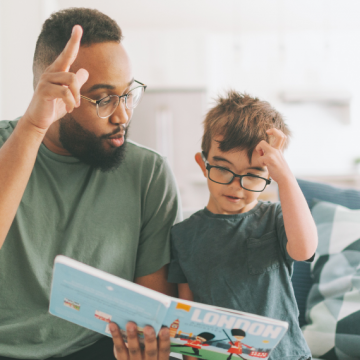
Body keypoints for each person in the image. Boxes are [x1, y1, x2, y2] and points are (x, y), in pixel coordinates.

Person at [0, 8, 180, 360]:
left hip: (95, 349)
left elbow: (148, 318)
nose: (123, 115)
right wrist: (34, 128)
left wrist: (147, 347)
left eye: (128, 94)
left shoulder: (149, 174)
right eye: (104, 98)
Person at [168, 92, 318, 360]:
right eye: (223, 169)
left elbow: (304, 249)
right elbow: (187, 315)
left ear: (268, 176)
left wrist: (284, 176)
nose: (236, 185)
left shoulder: (274, 218)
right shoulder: (182, 236)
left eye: (252, 174)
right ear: (203, 165)